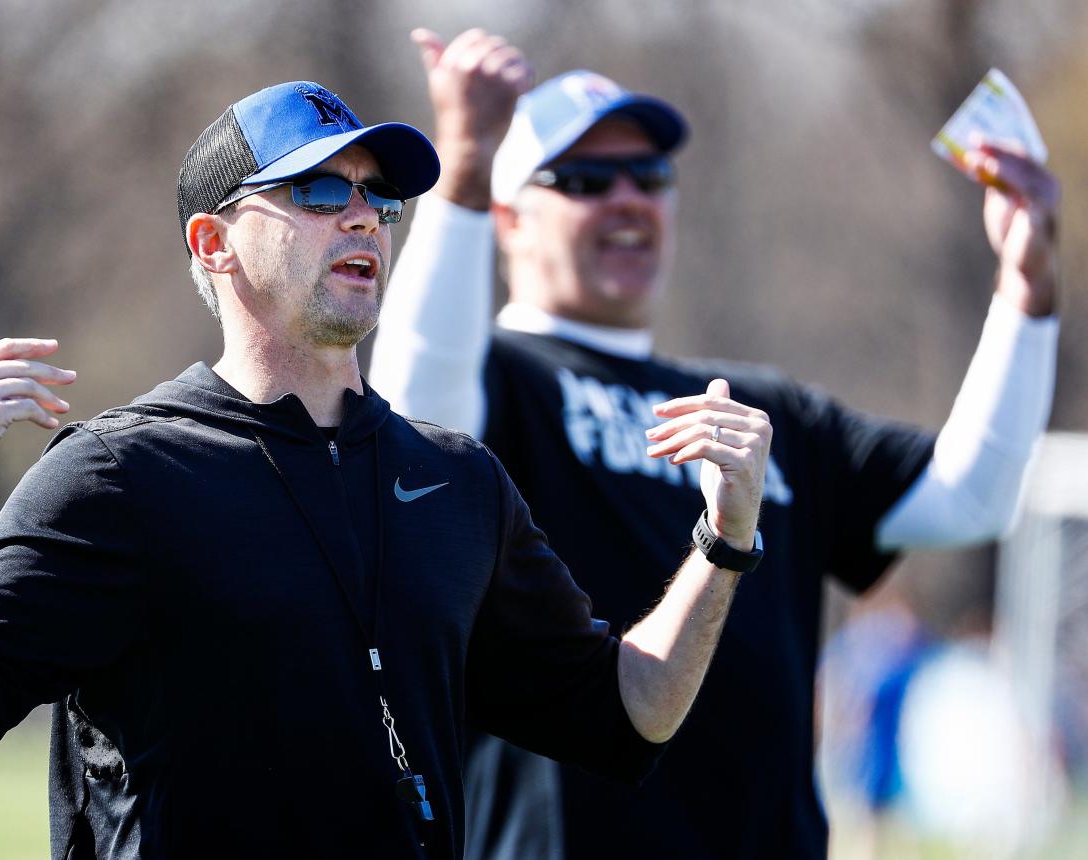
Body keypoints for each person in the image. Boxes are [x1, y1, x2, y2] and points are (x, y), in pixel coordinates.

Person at [0, 81, 774, 859]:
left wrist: (723, 542)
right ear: (213, 245)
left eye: (379, 198)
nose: (362, 215)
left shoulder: (460, 481)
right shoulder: (118, 476)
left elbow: (625, 714)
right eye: (317, 190)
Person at [368, 29, 1061, 860]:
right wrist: (466, 168)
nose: (629, 198)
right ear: (510, 219)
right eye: (586, 180)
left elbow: (972, 495)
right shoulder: (501, 382)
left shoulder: (765, 408)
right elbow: (417, 401)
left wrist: (1027, 295)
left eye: (649, 176)